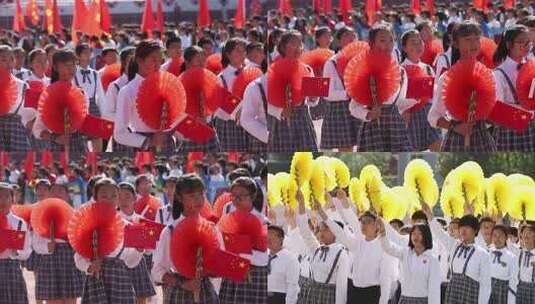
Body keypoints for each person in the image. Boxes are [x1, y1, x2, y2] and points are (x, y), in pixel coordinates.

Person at [151, 174, 222, 304]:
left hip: (206, 292)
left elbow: (219, 266)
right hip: (179, 294)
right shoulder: (170, 232)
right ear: (179, 198)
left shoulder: (212, 228)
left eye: (201, 194)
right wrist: (182, 283)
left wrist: (215, 271)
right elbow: (157, 271)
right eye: (191, 196)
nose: (198, 200)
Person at [428, 21, 497, 152]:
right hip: (457, 140)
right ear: (455, 43)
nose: (474, 44)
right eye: (468, 39)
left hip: (483, 138)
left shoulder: (489, 76)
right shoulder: (447, 78)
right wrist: (455, 127)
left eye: (477, 39)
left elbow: (493, 110)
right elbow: (433, 116)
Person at [74, 178, 143, 303]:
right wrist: (89, 267)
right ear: (95, 198)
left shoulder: (127, 226)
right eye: (104, 196)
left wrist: (138, 251)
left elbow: (130, 263)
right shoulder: (88, 225)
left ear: (118, 198)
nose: (110, 200)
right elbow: (78, 258)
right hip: (96, 281)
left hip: (121, 281)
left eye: (114, 196)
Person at [348, 24, 411, 152]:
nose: (388, 44)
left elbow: (399, 103)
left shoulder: (401, 71)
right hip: (373, 127)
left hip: (395, 127)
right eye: (382, 40)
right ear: (371, 43)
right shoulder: (365, 71)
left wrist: (416, 99)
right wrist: (368, 114)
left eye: (391, 40)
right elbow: (353, 107)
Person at [114, 40, 176, 153]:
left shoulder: (166, 85)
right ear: (140, 61)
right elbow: (119, 133)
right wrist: (149, 141)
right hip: (143, 145)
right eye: (153, 59)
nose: (158, 64)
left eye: (160, 60)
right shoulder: (128, 91)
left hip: (167, 142)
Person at [422, 204, 491, 304]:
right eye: (462, 227)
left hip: (470, 294)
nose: (463, 230)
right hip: (453, 291)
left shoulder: (482, 254)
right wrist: (430, 216)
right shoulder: (454, 245)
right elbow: (439, 233)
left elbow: (486, 285)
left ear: (475, 230)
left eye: (467, 227)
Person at [219, 177, 269, 304]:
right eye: (233, 196)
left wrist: (240, 252)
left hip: (254, 277)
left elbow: (265, 258)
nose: (235, 200)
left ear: (252, 196)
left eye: (241, 196)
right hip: (231, 276)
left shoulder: (262, 222)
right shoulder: (227, 219)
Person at [295, 190, 349, 304]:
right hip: (310, 296)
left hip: (327, 298)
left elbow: (342, 287)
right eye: (320, 229)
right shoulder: (317, 249)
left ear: (335, 232)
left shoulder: (341, 253)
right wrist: (301, 204)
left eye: (326, 229)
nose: (321, 232)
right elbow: (305, 231)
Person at [32, 49, 88, 156]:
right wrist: (55, 138)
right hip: (56, 147)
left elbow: (84, 121)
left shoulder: (81, 93)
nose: (71, 69)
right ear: (55, 68)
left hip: (79, 145)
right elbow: (37, 130)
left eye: (74, 65)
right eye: (66, 65)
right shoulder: (47, 94)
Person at [492, 25, 535, 151]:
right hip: (510, 133)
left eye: (529, 42)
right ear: (509, 44)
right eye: (521, 42)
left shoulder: (532, 66)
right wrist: (526, 114)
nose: (527, 46)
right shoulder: (499, 74)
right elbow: (497, 111)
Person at [377, 219, 441, 304]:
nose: (415, 236)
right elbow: (388, 248)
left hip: (422, 301)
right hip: (404, 299)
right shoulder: (405, 253)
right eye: (413, 234)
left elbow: (434, 290)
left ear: (426, 236)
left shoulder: (432, 260)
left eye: (419, 234)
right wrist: (382, 233)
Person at [398, 30, 441, 151]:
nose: (418, 46)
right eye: (413, 43)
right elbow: (398, 101)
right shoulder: (401, 70)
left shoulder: (427, 68)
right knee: (413, 152)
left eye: (420, 42)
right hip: (410, 116)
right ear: (404, 48)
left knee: (437, 146)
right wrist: (415, 99)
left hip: (429, 112)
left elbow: (433, 94)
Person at [321, 27, 360, 151]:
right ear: (338, 42)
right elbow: (326, 93)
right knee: (345, 148)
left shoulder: (360, 61)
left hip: (358, 106)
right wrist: (347, 94)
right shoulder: (331, 63)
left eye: (353, 35)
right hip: (340, 109)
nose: (351, 39)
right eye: (347, 36)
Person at [117, 182, 156, 304]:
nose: (123, 200)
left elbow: (149, 251)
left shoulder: (142, 221)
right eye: (119, 197)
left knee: (141, 299)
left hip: (138, 263)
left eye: (127, 196)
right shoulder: (113, 220)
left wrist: (144, 246)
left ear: (135, 198)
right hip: (118, 264)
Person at [0, 183, 32, 304]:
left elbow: (27, 251)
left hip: (12, 269)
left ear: (12, 199)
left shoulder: (19, 223)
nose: (2, 200)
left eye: (6, 197)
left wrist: (16, 252)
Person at [0, 45, 31, 152]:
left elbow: (28, 114)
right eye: (3, 59)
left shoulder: (23, 85)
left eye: (11, 59)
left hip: (16, 131)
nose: (9, 63)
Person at [267, 224, 300, 304]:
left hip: (279, 299)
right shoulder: (264, 256)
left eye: (271, 234)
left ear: (281, 239)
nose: (268, 238)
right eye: (267, 234)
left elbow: (292, 286)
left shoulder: (290, 259)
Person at [487, 225, 517, 304]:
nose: (497, 238)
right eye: (495, 235)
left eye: (500, 235)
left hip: (502, 290)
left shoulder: (512, 257)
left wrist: (511, 300)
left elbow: (513, 280)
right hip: (487, 288)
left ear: (506, 237)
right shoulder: (487, 253)